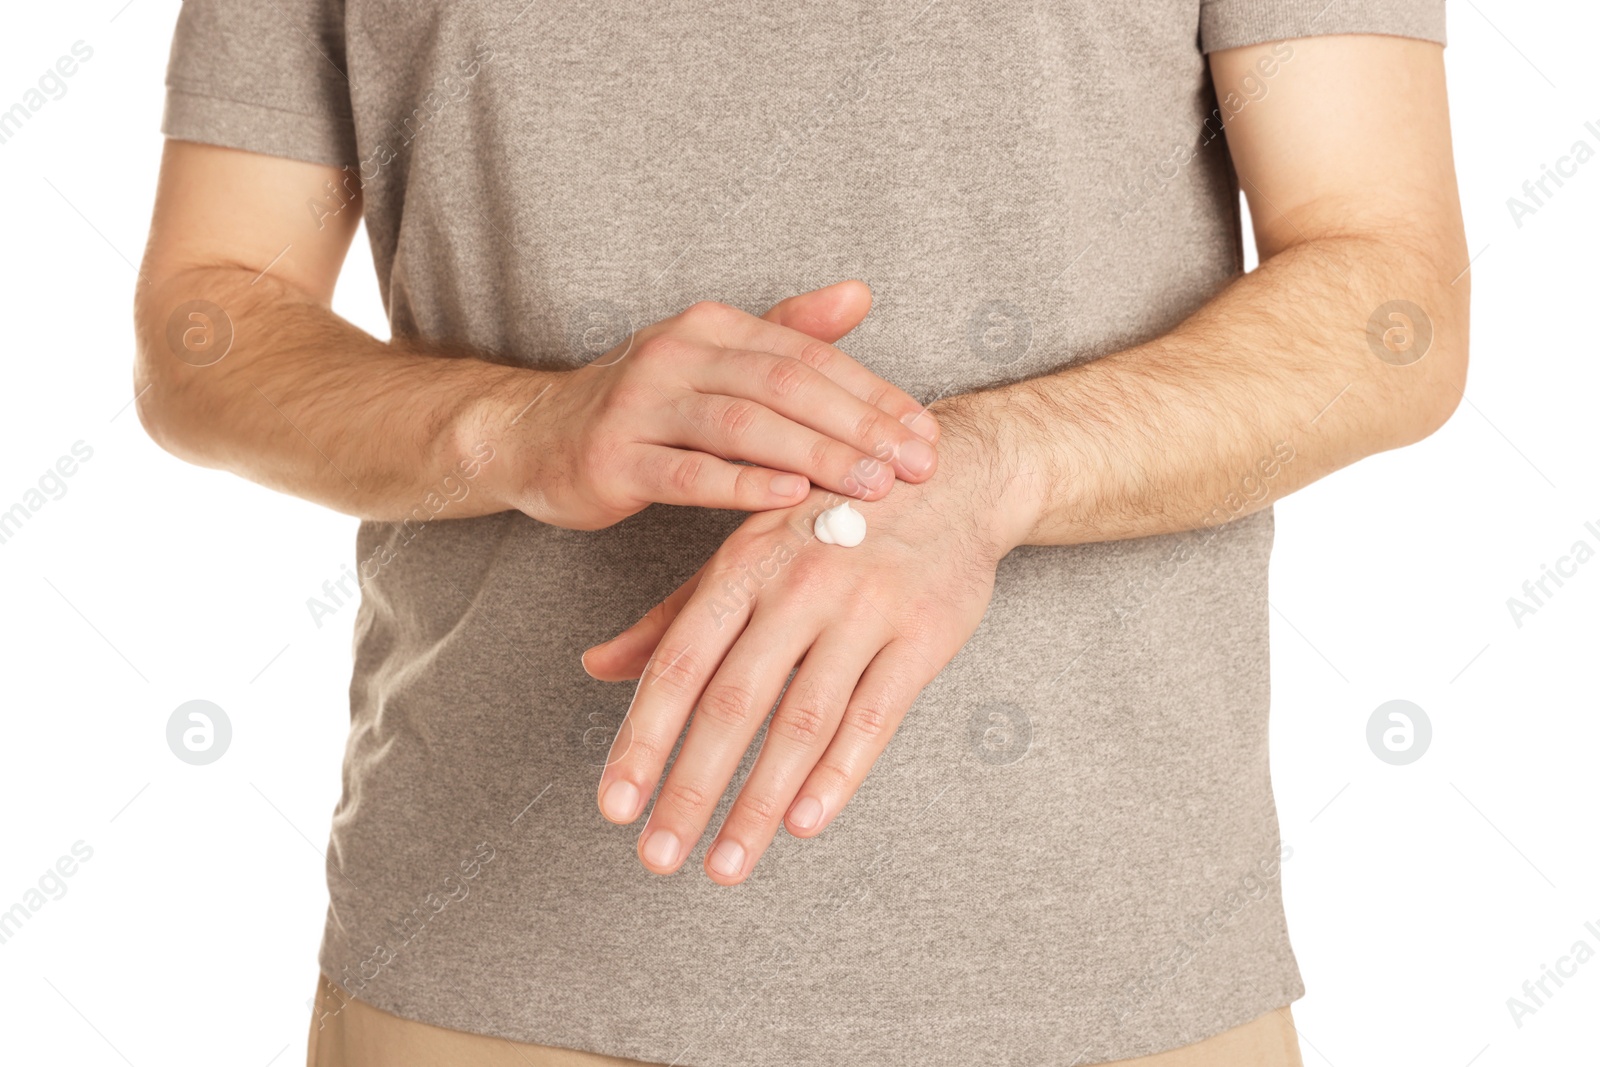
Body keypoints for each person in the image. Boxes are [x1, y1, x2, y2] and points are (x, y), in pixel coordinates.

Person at [134, 2, 1466, 1064]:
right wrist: (520, 428)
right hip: (483, 971)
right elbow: (207, 320)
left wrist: (984, 475)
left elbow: (1388, 293)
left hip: (1113, 988)